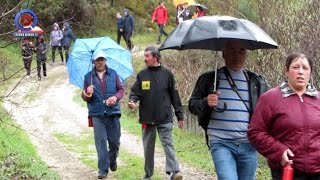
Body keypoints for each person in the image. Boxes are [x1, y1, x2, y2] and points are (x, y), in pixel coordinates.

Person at [188, 40, 270, 180]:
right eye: (232, 50)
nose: (236, 55)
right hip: (221, 143)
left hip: (248, 144)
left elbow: (269, 110)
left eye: (241, 51)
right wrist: (205, 102)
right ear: (223, 54)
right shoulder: (210, 79)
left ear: (246, 54)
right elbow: (192, 106)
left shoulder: (257, 81)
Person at [248, 51, 320, 180]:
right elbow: (255, 132)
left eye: (305, 68)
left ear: (310, 72)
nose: (300, 72)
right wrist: (279, 151)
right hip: (287, 171)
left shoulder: (318, 99)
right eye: (295, 67)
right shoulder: (270, 98)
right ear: (286, 71)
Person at [128, 46, 185, 180]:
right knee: (148, 148)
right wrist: (132, 101)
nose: (145, 59)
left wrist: (180, 115)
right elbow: (135, 92)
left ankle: (174, 171)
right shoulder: (142, 75)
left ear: (156, 57)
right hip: (147, 119)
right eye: (144, 56)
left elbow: (174, 96)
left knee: (168, 144)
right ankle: (148, 174)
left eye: (147, 56)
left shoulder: (167, 74)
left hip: (164, 117)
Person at [81, 50, 124, 179]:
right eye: (98, 60)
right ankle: (102, 170)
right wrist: (87, 93)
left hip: (113, 113)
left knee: (115, 142)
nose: (100, 62)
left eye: (102, 59)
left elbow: (121, 89)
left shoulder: (114, 74)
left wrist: (115, 98)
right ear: (93, 61)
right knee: (100, 142)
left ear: (105, 60)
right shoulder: (88, 77)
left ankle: (112, 159)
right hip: (97, 114)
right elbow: (84, 96)